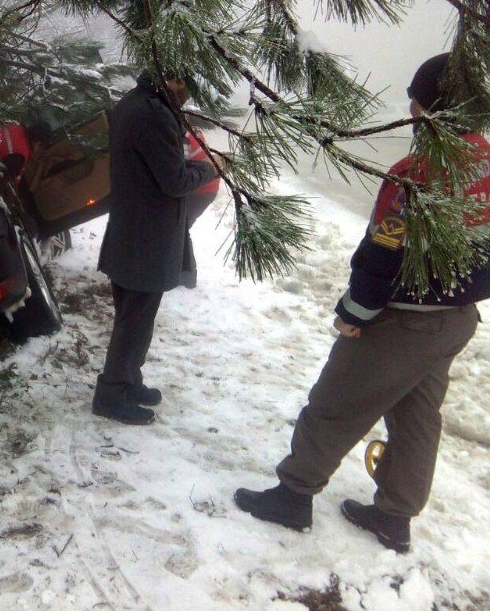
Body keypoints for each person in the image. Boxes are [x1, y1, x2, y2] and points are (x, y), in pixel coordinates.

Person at [234, 53, 490, 553]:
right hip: (455, 321)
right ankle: (395, 517)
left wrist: (356, 313)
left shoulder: (416, 172)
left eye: (415, 99)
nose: (410, 107)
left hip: (402, 322)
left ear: (429, 106)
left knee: (334, 403)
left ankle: (293, 495)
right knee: (417, 418)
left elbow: (381, 252)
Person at [92, 70, 221, 425]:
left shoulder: (135, 103)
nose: (189, 97)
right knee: (134, 321)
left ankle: (129, 380)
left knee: (133, 317)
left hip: (132, 230)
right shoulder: (154, 114)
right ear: (176, 79)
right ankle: (111, 393)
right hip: (145, 238)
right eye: (189, 88)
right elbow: (175, 180)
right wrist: (209, 169)